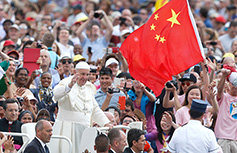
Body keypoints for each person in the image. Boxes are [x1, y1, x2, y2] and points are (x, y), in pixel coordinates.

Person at [51, 61, 111, 153]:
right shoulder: (66, 83)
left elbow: (94, 109)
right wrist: (69, 86)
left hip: (85, 130)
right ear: (75, 72)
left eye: (87, 74)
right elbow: (56, 95)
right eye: (82, 74)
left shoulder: (89, 87)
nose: (85, 77)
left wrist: (105, 123)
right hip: (68, 129)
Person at [215, 69, 237, 152]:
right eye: (233, 84)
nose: (235, 87)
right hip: (222, 138)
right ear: (229, 84)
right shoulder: (223, 97)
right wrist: (224, 76)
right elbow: (219, 90)